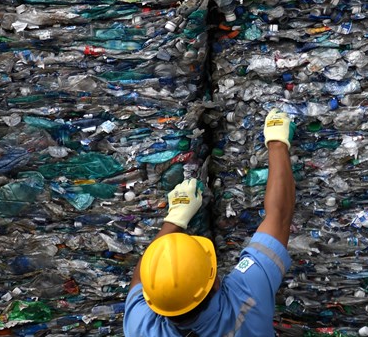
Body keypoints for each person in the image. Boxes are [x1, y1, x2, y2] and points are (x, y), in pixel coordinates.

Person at [124, 108, 296, 336]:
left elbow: (139, 280)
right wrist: (277, 143)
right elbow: (279, 216)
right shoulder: (246, 297)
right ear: (214, 281)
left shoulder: (142, 329)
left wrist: (175, 218)